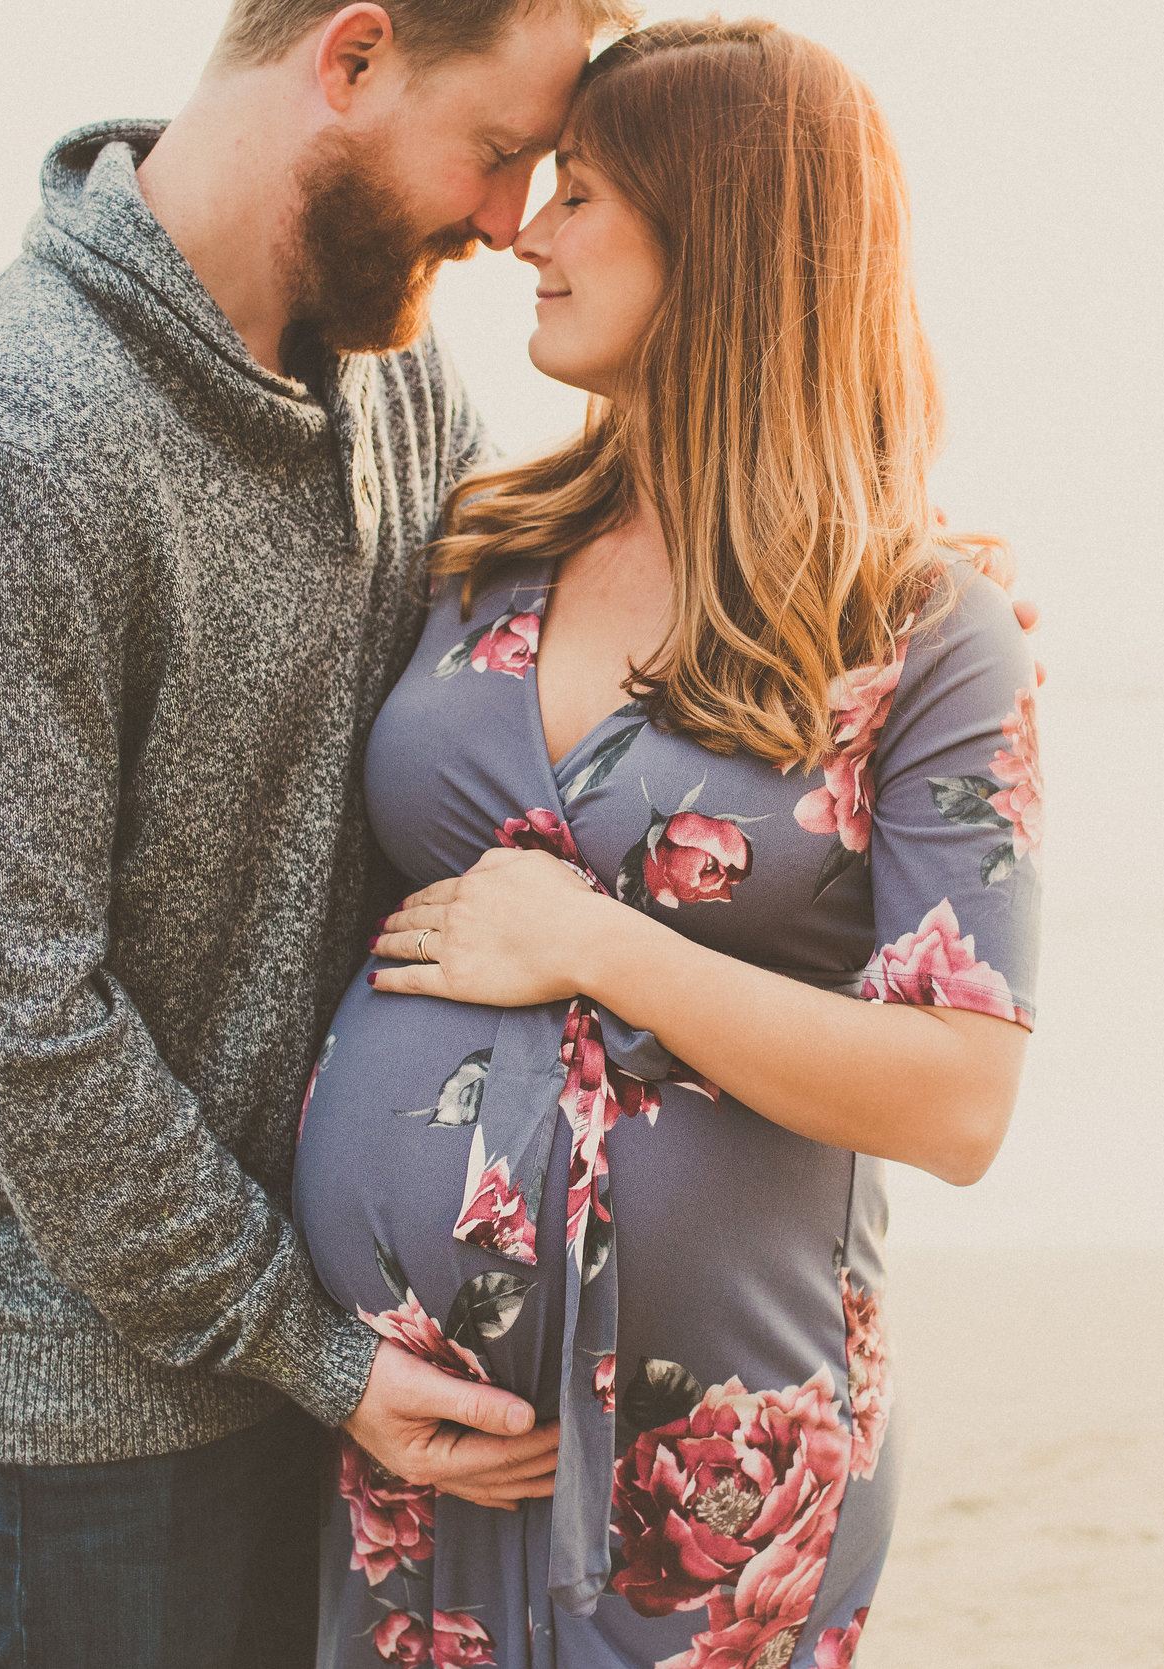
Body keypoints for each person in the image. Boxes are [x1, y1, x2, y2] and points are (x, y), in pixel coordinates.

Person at [0, 3, 634, 1663]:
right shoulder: (6, 436)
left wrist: (896, 625)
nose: (511, 224)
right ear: (350, 60)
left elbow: (546, 656)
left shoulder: (393, 368)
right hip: (99, 1432)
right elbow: (13, 1020)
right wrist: (316, 1348)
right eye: (497, 152)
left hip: (339, 1358)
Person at [290, 19, 1042, 1669]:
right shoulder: (483, 548)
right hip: (409, 1447)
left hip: (708, 1473)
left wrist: (605, 946)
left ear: (726, 238)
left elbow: (961, 1098)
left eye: (582, 195)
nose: (526, 237)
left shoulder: (922, 631)